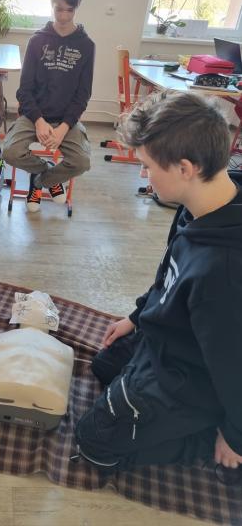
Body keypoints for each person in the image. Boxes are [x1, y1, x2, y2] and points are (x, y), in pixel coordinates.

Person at [74, 91, 242, 474]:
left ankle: (208, 437)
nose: (143, 175)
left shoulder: (225, 272)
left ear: (185, 168)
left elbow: (234, 363)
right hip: (169, 340)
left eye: (147, 166)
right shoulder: (198, 204)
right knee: (104, 365)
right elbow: (168, 273)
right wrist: (137, 317)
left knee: (93, 442)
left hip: (195, 375)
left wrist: (235, 435)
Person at [2, 0, 94, 212]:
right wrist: (39, 121)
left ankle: (41, 181)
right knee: (10, 152)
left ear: (77, 7)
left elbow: (82, 95)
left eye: (69, 10)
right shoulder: (37, 41)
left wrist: (63, 128)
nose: (63, 16)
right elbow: (24, 91)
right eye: (58, 9)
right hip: (34, 117)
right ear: (51, 2)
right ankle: (46, 171)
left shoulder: (86, 46)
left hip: (66, 120)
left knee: (82, 161)